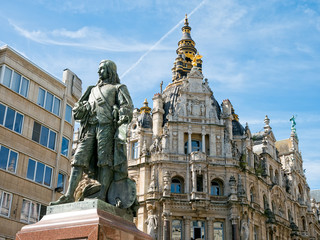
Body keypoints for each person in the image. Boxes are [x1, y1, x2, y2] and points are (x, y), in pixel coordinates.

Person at [51, 60, 133, 205]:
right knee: (78, 159)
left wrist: (120, 112)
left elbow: (127, 107)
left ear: (110, 70)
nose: (98, 72)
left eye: (102, 69)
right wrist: (81, 109)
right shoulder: (91, 90)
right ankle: (69, 195)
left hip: (106, 127)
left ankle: (101, 195)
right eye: (99, 69)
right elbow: (79, 111)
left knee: (105, 161)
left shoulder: (118, 88)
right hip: (90, 128)